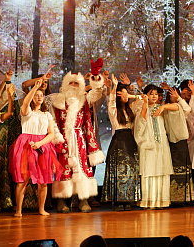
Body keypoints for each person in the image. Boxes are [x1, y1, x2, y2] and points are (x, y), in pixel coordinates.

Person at [51, 70, 106, 213]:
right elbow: (52, 121)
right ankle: (62, 201)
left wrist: (95, 79)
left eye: (77, 83)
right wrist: (58, 137)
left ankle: (83, 200)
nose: (74, 85)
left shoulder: (84, 99)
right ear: (65, 84)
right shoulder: (58, 100)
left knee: (82, 168)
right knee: (63, 170)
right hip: (63, 139)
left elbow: (97, 93)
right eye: (71, 82)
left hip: (79, 139)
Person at [9, 78, 62, 217]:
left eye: (41, 95)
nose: (39, 97)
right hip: (26, 145)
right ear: (32, 97)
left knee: (43, 181)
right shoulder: (26, 111)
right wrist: (35, 88)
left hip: (42, 146)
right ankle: (19, 210)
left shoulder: (47, 114)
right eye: (36, 95)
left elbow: (51, 134)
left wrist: (40, 143)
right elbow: (26, 102)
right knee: (23, 179)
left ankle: (41, 209)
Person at [102, 75, 141, 211]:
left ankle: (128, 198)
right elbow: (112, 101)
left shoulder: (130, 108)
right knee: (118, 170)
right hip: (119, 140)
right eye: (123, 93)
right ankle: (118, 200)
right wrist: (114, 87)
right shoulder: (114, 110)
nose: (127, 95)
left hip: (129, 140)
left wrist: (130, 90)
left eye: (127, 93)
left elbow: (142, 99)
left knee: (130, 170)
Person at [134, 84, 175, 208]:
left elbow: (177, 107)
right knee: (150, 170)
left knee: (162, 169)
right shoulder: (140, 107)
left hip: (161, 144)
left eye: (156, 94)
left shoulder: (160, 108)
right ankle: (149, 201)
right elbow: (142, 119)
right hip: (148, 144)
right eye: (151, 94)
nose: (154, 96)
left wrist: (163, 107)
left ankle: (162, 201)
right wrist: (145, 102)